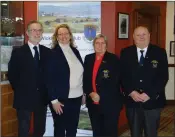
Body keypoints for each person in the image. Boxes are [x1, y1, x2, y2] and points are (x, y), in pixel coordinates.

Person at [120, 26, 169, 137]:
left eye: (144, 34)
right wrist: (132, 92)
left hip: (153, 102)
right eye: (138, 35)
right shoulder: (126, 53)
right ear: (133, 37)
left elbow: (163, 77)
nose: (141, 37)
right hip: (133, 102)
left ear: (149, 35)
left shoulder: (160, 52)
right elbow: (123, 76)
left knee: (151, 133)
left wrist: (149, 94)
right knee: (135, 133)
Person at [8, 20, 51, 137]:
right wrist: (22, 90)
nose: (37, 33)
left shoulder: (47, 52)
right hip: (23, 98)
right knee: (23, 129)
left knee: (40, 129)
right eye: (34, 30)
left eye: (39, 30)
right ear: (27, 33)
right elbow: (12, 75)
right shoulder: (18, 52)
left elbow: (49, 75)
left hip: (42, 98)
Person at [46, 24, 84, 137]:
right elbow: (48, 79)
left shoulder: (75, 51)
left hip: (77, 97)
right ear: (56, 37)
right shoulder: (52, 53)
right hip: (60, 99)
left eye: (66, 33)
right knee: (60, 129)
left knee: (72, 128)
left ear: (70, 36)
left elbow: (80, 74)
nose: (63, 36)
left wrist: (83, 93)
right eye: (60, 34)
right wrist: (53, 100)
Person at [83, 34, 123, 137]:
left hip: (110, 104)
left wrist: (100, 96)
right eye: (97, 43)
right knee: (97, 132)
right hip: (93, 103)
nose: (100, 45)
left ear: (106, 45)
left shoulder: (114, 59)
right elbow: (85, 79)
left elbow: (115, 82)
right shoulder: (88, 58)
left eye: (102, 43)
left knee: (110, 132)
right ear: (93, 45)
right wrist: (91, 93)